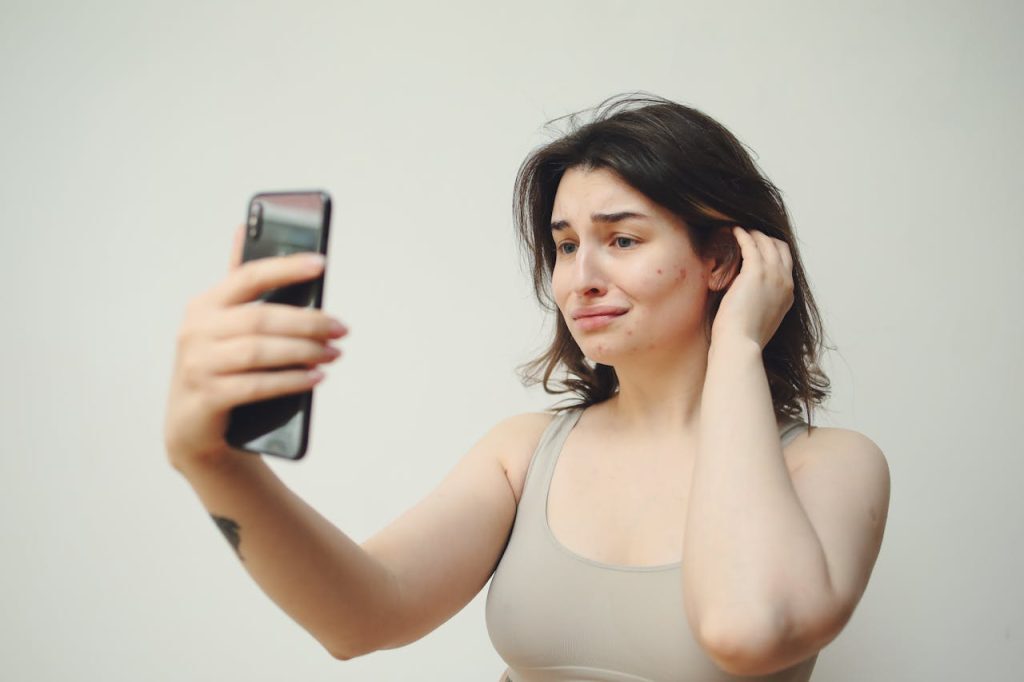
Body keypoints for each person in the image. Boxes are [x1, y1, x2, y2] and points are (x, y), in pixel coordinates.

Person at [164, 93, 891, 681]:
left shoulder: (830, 467)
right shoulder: (523, 452)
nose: (580, 277)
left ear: (724, 262)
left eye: (623, 239)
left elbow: (747, 630)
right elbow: (359, 619)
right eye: (566, 244)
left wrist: (737, 345)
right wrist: (215, 464)